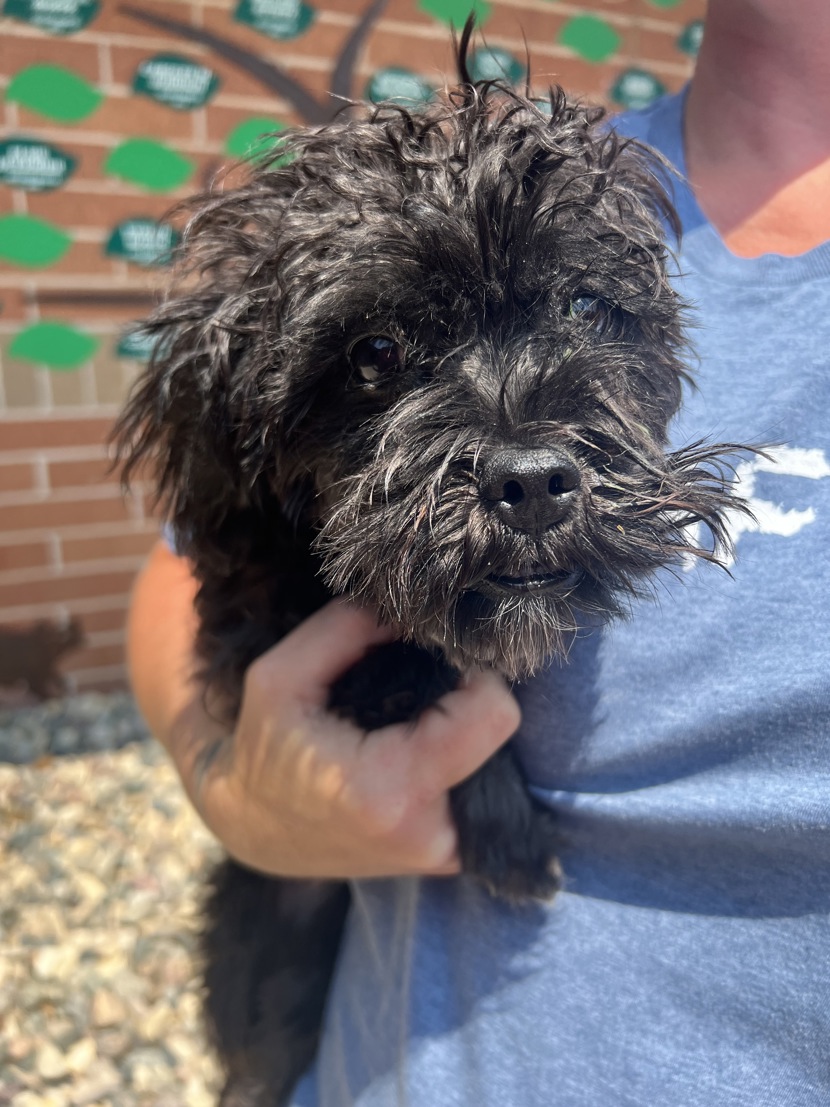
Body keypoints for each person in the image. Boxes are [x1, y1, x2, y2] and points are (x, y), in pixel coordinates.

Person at [127, 0, 830, 1102]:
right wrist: (240, 788)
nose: (528, 461)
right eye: (376, 355)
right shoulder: (586, 172)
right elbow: (199, 560)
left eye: (589, 312)